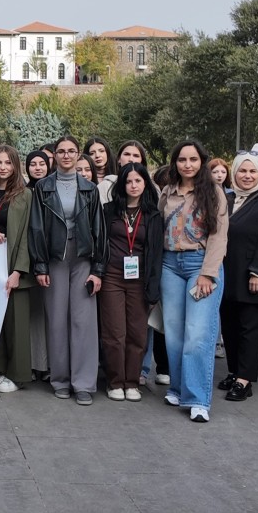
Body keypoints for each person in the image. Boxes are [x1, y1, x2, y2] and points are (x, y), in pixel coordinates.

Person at [28, 136, 107, 406]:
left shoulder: (89, 189)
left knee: (83, 322)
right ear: (55, 156)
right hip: (54, 259)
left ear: (78, 155)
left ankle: (83, 383)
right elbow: (36, 228)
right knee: (57, 319)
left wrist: (98, 269)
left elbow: (99, 231)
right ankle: (60, 379)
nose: (66, 155)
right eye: (61, 151)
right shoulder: (43, 187)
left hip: (83, 258)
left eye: (71, 151)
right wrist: (39, 264)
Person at [158, 139, 229, 422]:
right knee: (174, 334)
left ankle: (198, 398)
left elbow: (219, 235)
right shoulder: (167, 192)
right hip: (169, 265)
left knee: (198, 333)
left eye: (193, 159)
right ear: (175, 163)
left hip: (201, 265)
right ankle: (177, 388)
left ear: (202, 162)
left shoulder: (213, 192)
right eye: (182, 160)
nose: (187, 164)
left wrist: (208, 273)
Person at [217, 152, 258, 401]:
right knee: (230, 327)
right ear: (234, 173)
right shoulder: (227, 199)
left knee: (249, 329)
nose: (247, 176)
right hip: (227, 275)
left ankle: (245, 380)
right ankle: (234, 372)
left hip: (254, 277)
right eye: (242, 171)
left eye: (252, 171)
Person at [98, 162, 162, 402]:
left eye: (138, 180)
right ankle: (115, 381)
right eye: (128, 181)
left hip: (140, 279)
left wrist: (153, 289)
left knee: (137, 333)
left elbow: (156, 254)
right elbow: (99, 243)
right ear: (122, 185)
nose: (133, 185)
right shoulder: (108, 211)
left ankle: (132, 382)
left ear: (145, 183)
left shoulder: (154, 215)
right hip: (112, 276)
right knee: (114, 332)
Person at [0, 145, 35, 394]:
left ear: (15, 166)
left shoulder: (25, 195)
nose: (3, 167)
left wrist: (18, 271)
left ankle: (18, 374)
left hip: (13, 267)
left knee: (16, 324)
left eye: (8, 163)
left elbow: (27, 236)